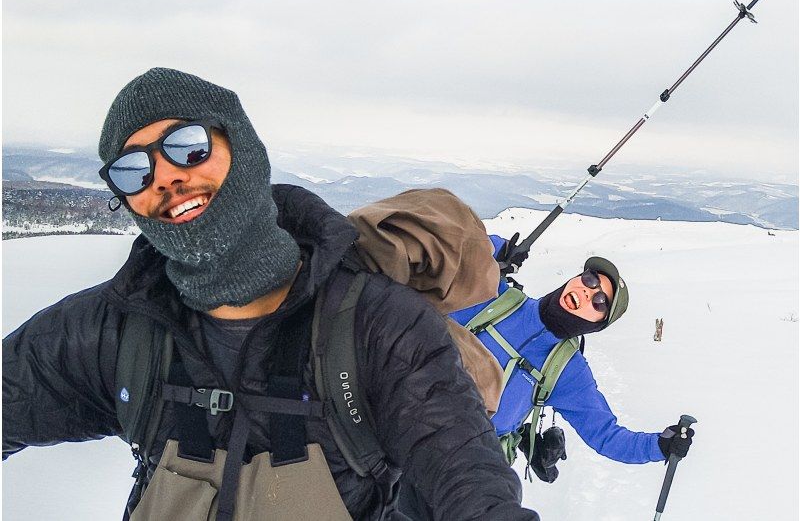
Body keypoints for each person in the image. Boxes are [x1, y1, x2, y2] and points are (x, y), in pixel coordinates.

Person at [2, 68, 540, 521]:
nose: (164, 177)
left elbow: (466, 475)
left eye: (186, 147)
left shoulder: (376, 326)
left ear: (242, 145)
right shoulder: (119, 327)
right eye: (133, 170)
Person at [449, 237, 695, 475]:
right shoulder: (497, 296)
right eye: (590, 280)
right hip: (414, 406)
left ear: (597, 325)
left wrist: (659, 447)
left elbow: (606, 436)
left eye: (600, 302)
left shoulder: (567, 371)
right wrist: (498, 249)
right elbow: (455, 249)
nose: (589, 293)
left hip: (464, 463)